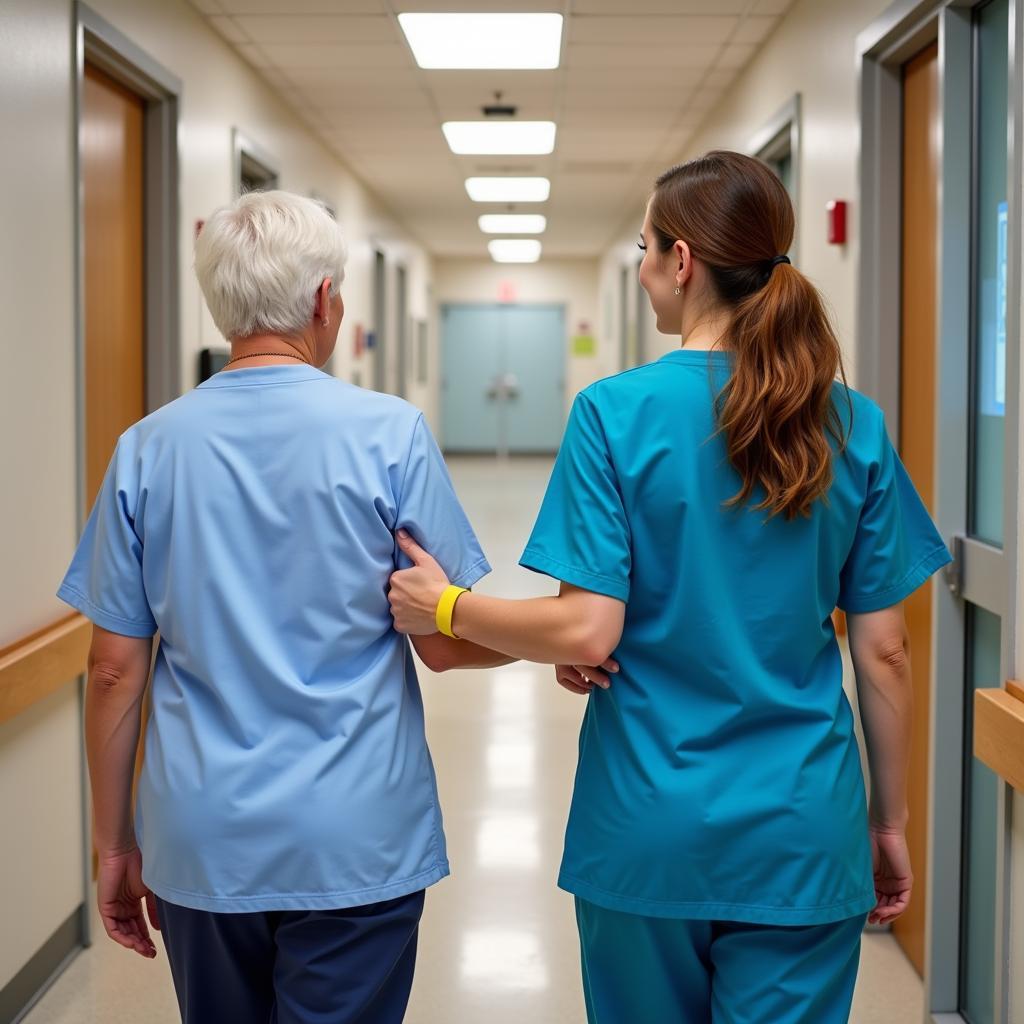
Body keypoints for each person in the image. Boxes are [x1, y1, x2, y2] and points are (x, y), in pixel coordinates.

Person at [388, 150, 952, 1023]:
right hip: (801, 827)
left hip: (647, 823)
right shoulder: (853, 423)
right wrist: (888, 822)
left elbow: (587, 632)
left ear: (681, 262)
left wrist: (447, 609)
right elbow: (884, 650)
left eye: (647, 251)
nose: (646, 274)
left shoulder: (615, 412)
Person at [57, 190, 510, 1024]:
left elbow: (115, 669)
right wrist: (562, 636)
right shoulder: (390, 434)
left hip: (203, 836)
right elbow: (446, 638)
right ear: (324, 300)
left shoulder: (147, 450)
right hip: (356, 831)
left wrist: (116, 842)